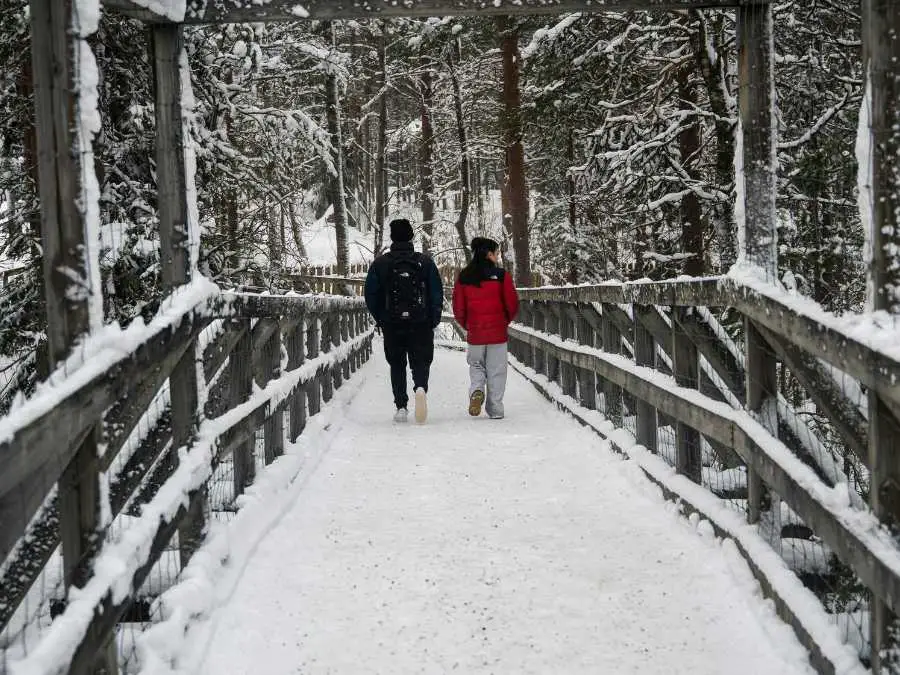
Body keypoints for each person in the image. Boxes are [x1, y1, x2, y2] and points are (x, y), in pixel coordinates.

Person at [365, 218, 443, 423]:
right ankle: (420, 388)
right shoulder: (425, 262)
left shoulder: (381, 264)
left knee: (397, 364)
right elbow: (436, 293)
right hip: (421, 322)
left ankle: (401, 406)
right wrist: (433, 319)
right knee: (421, 360)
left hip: (392, 323)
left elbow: (370, 295)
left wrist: (381, 318)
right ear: (411, 237)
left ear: (392, 238)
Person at [452, 237, 519, 419]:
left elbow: (458, 307)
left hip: (476, 332)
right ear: (489, 254)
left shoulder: (464, 277)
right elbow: (512, 303)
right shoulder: (501, 276)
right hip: (497, 332)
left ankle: (476, 391)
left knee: (476, 364)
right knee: (497, 370)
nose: (497, 257)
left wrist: (468, 324)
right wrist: (504, 321)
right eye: (496, 253)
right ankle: (495, 408)